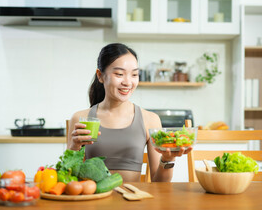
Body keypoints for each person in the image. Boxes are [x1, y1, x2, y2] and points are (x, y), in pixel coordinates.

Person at [67, 43, 192, 182]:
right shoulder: (81, 118)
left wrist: (168, 159)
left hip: (133, 200)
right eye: (119, 74)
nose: (128, 82)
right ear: (100, 76)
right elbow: (68, 178)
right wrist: (74, 148)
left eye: (134, 74)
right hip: (93, 200)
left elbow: (160, 184)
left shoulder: (150, 119)